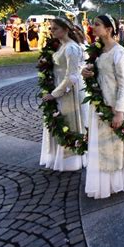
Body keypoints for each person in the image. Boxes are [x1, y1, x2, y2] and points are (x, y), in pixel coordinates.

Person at [81, 14, 124, 199]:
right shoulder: (98, 51)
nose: (93, 27)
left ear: (109, 29)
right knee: (101, 142)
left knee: (116, 143)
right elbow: (98, 75)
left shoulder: (119, 52)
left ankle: (117, 181)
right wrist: (86, 73)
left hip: (115, 103)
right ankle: (103, 183)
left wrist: (118, 112)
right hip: (100, 102)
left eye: (97, 25)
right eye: (93, 24)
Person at [40, 17, 87, 171]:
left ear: (65, 29)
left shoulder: (71, 48)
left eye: (55, 28)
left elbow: (72, 76)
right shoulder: (61, 46)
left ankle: (71, 159)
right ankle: (58, 155)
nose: (51, 31)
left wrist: (55, 93)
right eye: (51, 29)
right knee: (60, 120)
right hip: (58, 84)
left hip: (68, 91)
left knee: (68, 122)